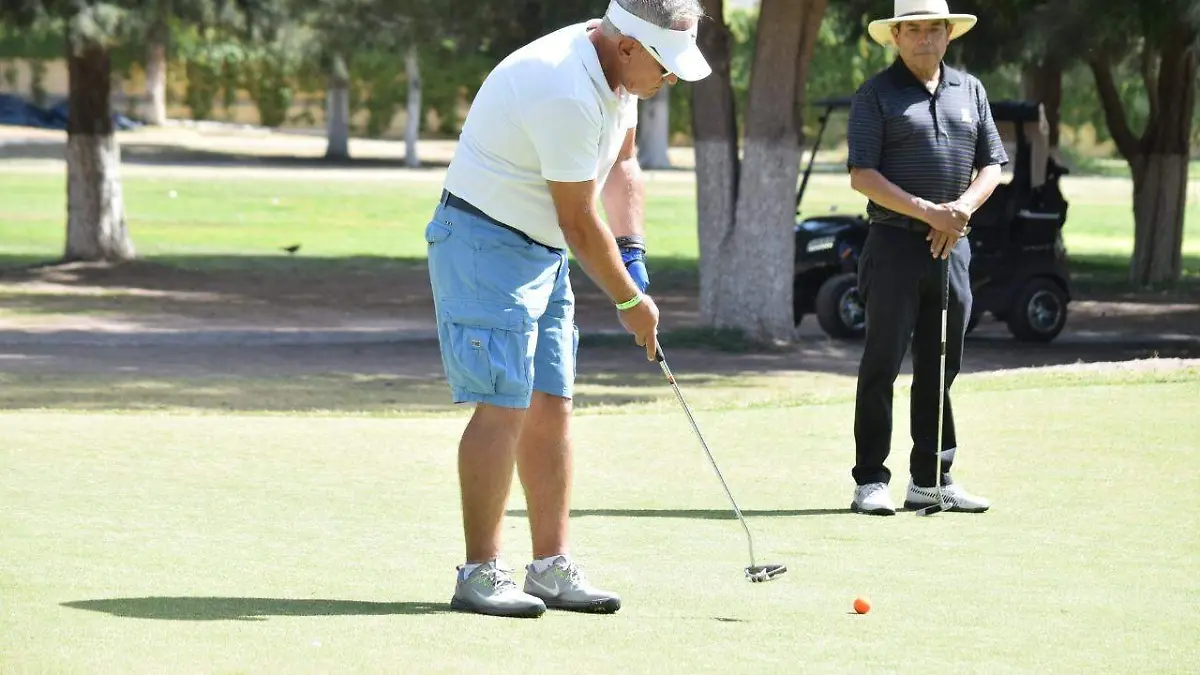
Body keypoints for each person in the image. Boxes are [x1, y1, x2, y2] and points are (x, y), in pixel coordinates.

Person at [423, 0, 711, 617]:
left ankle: (550, 567)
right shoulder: (564, 88)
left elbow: (623, 164)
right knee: (504, 401)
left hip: (543, 249)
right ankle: (479, 573)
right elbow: (579, 220)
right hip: (483, 241)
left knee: (551, 402)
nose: (673, 80)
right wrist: (630, 300)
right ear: (629, 46)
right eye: (668, 65)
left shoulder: (623, 71)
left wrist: (632, 257)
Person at [845, 0, 1008, 516]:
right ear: (896, 36)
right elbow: (862, 175)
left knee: (942, 364)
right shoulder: (875, 94)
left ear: (947, 34)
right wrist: (926, 212)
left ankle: (931, 478)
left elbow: (992, 166)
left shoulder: (971, 90)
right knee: (882, 364)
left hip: (952, 246)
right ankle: (870, 479)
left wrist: (957, 211)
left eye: (933, 29)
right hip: (894, 245)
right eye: (912, 30)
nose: (924, 39)